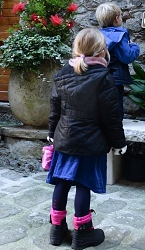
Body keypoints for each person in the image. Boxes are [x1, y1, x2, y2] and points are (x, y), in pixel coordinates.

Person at [46, 28, 127, 249]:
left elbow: (55, 109)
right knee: (83, 183)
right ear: (102, 51)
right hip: (91, 142)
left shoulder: (63, 74)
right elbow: (112, 116)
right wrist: (119, 143)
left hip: (64, 139)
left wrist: (51, 134)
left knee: (62, 181)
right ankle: (83, 232)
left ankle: (56, 228)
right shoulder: (104, 77)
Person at [95, 3, 140, 110]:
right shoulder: (120, 35)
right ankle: (115, 124)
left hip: (99, 76)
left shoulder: (97, 35)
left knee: (102, 102)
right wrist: (134, 46)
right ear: (117, 19)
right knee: (116, 104)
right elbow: (127, 56)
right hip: (116, 77)